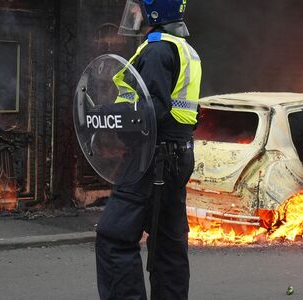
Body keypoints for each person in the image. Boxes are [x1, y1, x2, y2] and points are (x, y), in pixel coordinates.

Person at [96, 0, 201, 299]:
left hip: (151, 157)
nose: (132, 12)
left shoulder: (156, 50)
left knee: (113, 237)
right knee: (168, 244)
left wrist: (106, 114)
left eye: (138, 7)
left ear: (157, 11)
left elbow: (152, 109)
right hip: (177, 155)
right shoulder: (183, 48)